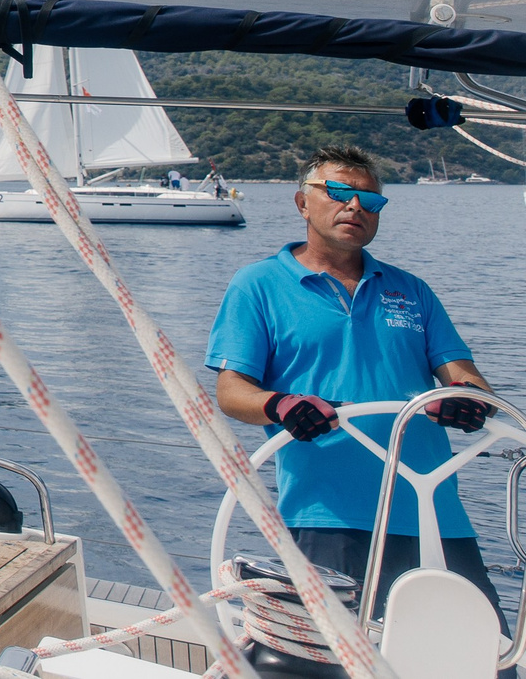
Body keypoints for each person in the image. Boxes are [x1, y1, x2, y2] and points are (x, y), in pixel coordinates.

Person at [207, 146, 505, 641]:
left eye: (370, 200)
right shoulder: (257, 286)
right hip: (326, 514)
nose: (355, 207)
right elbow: (231, 391)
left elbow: (466, 376)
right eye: (340, 193)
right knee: (334, 658)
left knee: (481, 654)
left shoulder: (411, 290)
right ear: (302, 204)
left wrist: (465, 398)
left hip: (433, 511)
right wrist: (280, 405)